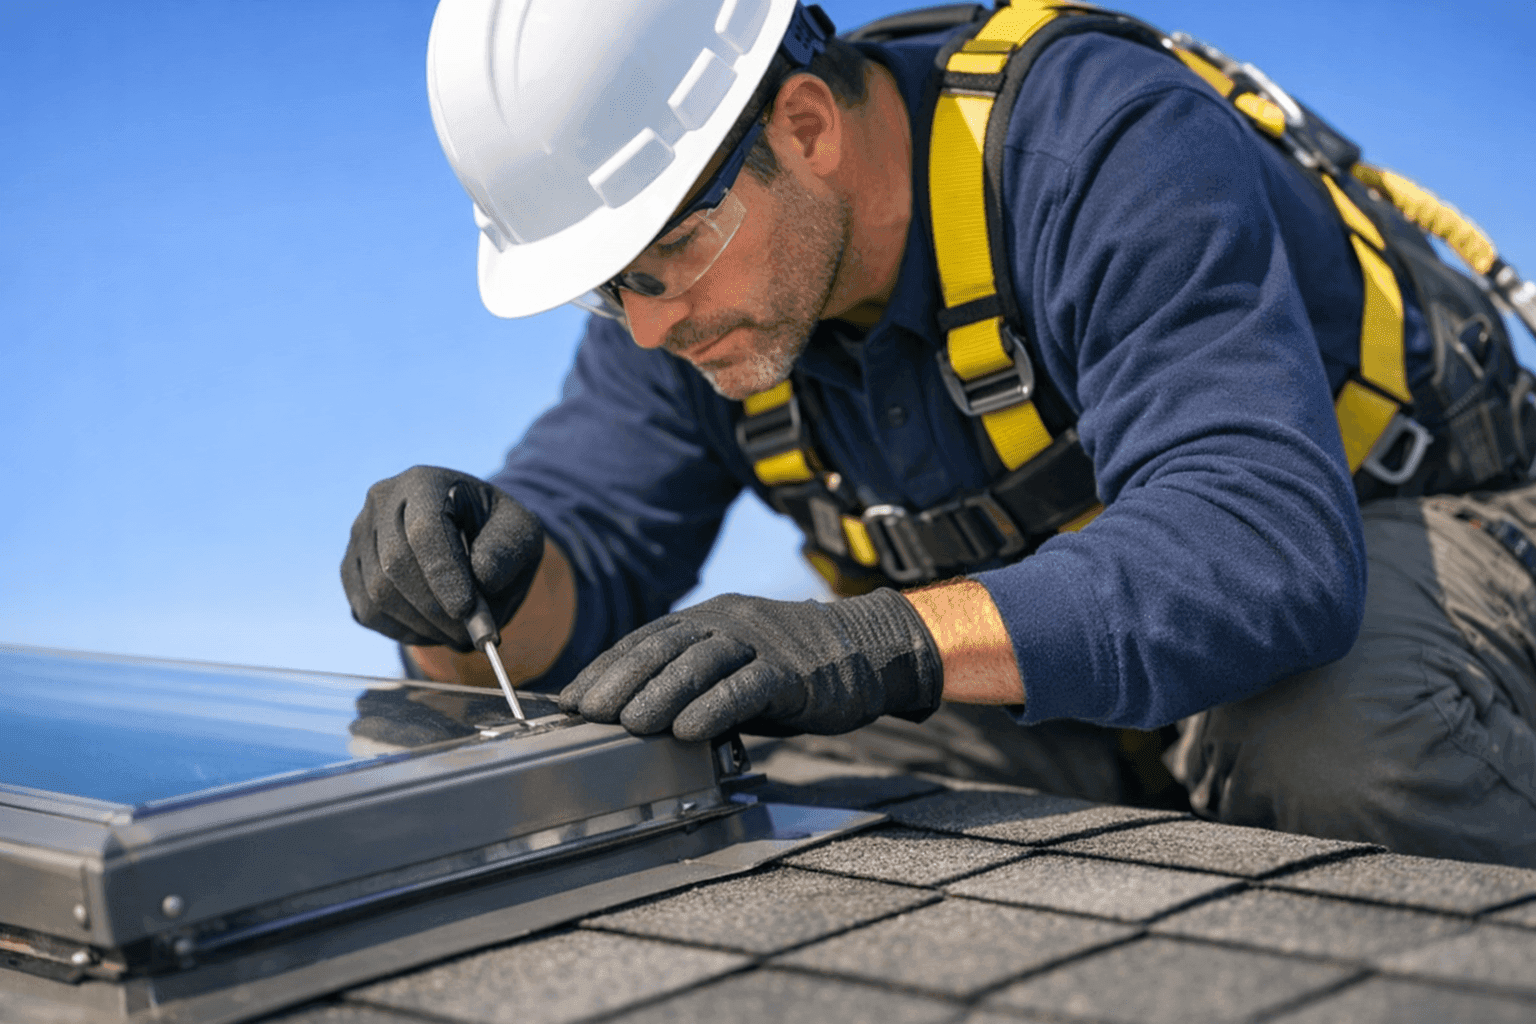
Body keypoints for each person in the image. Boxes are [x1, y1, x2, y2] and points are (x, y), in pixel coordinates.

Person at [341, 0, 1536, 866]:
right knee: (758, 788)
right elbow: (583, 568)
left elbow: (1260, 549)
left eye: (668, 258)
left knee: (1337, 737)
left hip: (1424, 543)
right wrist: (467, 591)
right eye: (610, 288)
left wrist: (872, 642)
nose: (648, 328)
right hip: (1110, 685)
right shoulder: (695, 300)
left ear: (803, 125)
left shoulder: (1094, 147)